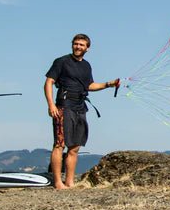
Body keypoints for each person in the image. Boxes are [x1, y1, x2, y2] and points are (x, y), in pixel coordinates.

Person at [44, 33, 118, 190]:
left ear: (87, 48)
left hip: (80, 106)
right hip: (64, 105)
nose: (78, 46)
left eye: (81, 45)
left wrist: (108, 84)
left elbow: (89, 85)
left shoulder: (86, 65)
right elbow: (49, 82)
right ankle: (58, 182)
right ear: (72, 45)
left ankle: (70, 182)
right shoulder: (61, 62)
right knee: (60, 143)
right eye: (76, 44)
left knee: (75, 147)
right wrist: (51, 105)